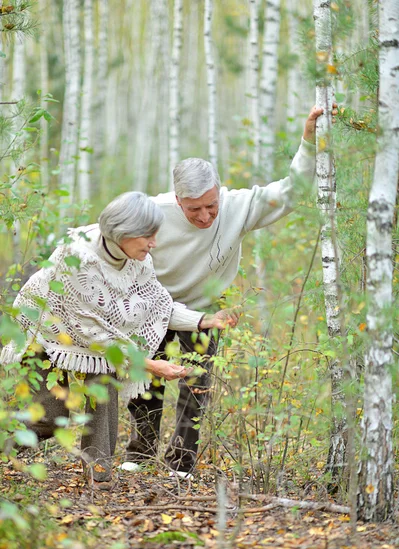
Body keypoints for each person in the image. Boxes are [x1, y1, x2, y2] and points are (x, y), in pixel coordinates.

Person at [126, 106, 332, 479]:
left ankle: (181, 464)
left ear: (219, 192)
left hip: (205, 309)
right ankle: (139, 455)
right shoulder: (152, 212)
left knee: (196, 386)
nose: (205, 217)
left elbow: (291, 192)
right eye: (194, 210)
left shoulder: (238, 206)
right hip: (153, 308)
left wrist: (309, 141)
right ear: (177, 200)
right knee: (147, 384)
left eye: (211, 206)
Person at [0, 192, 238, 489]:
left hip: (98, 339)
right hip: (46, 329)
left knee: (103, 386)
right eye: (148, 236)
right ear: (123, 232)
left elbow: (158, 306)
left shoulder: (139, 261)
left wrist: (204, 320)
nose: (154, 243)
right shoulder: (78, 258)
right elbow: (93, 334)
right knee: (47, 416)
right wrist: (150, 365)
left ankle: (98, 475)